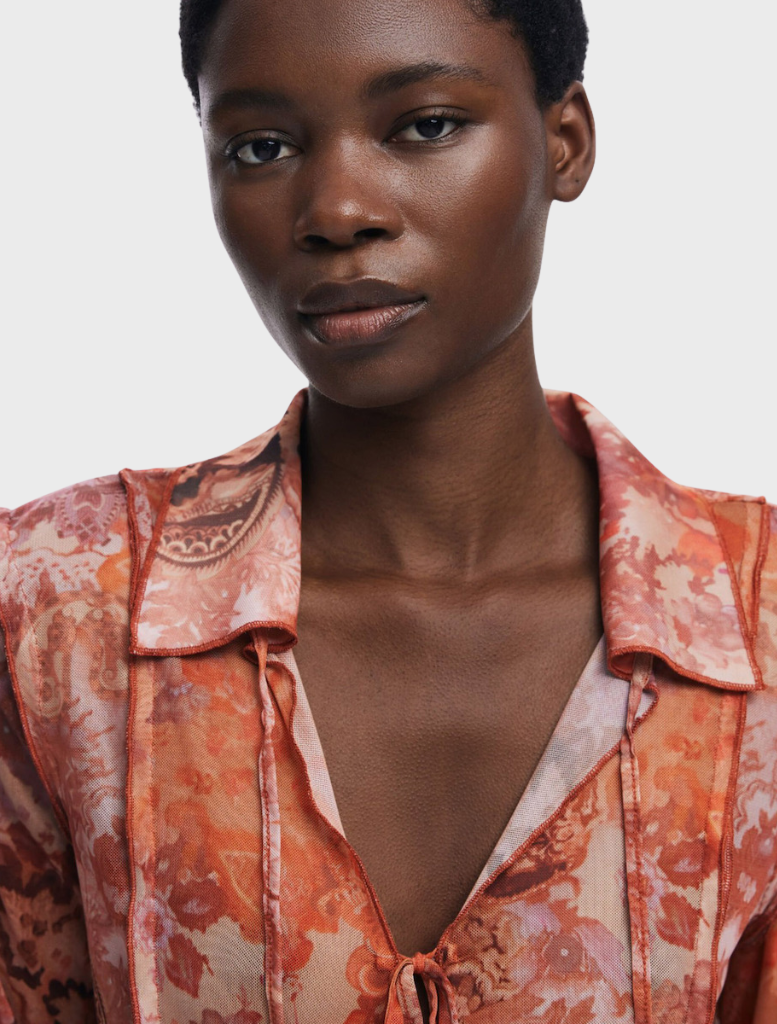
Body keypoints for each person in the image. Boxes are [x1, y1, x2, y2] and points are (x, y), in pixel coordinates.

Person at [0, 0, 774, 1021]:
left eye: (424, 125)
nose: (336, 209)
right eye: (262, 145)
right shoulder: (59, 609)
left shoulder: (757, 619)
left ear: (566, 142)